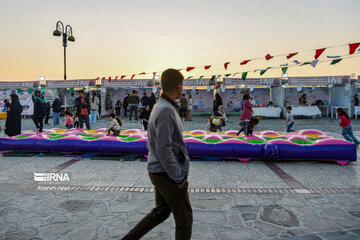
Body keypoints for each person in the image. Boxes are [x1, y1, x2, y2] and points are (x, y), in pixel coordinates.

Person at [122, 69, 192, 240]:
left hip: (159, 170)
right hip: (166, 173)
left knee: (160, 212)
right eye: (182, 85)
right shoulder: (166, 110)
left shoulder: (163, 106)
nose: (182, 89)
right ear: (177, 85)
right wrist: (178, 177)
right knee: (184, 217)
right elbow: (163, 148)